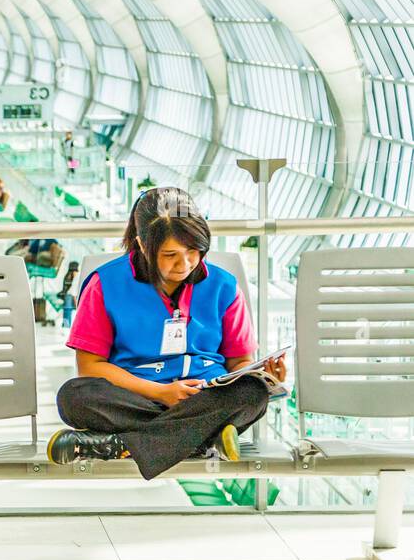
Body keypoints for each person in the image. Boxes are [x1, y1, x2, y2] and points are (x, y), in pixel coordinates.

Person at [48, 186, 287, 480]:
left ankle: (123, 444)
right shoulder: (105, 284)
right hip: (136, 394)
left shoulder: (224, 286)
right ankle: (199, 438)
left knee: (252, 393)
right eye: (170, 254)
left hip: (206, 395)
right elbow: (90, 367)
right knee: (74, 396)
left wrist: (264, 375)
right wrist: (161, 392)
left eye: (192, 251)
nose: (184, 264)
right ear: (143, 245)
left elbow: (239, 361)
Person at [59, 261, 80, 328]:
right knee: (67, 311)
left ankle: (65, 326)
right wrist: (76, 303)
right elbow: (73, 292)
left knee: (66, 311)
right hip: (70, 296)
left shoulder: (67, 275)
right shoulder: (75, 276)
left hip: (68, 296)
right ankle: (66, 326)